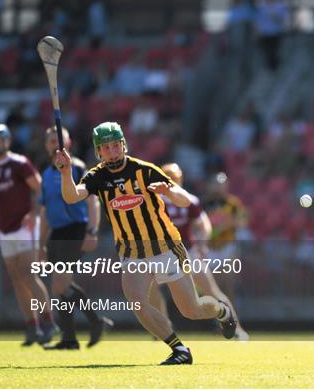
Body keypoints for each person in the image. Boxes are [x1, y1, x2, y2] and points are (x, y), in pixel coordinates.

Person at [54, 122, 237, 365]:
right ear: (99, 151)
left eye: (115, 145)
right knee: (139, 303)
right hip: (132, 253)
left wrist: (169, 192)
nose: (112, 151)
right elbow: (71, 196)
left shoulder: (145, 170)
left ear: (123, 145)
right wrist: (66, 173)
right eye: (106, 148)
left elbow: (185, 201)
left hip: (166, 249)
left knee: (191, 310)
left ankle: (221, 311)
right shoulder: (97, 176)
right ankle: (179, 350)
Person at [148, 163, 249, 340]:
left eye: (175, 177)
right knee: (151, 287)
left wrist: (202, 244)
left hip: (188, 252)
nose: (173, 180)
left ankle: (237, 328)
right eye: (169, 176)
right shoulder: (153, 201)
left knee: (213, 291)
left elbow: (203, 224)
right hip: (163, 254)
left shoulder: (189, 200)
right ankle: (163, 328)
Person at [39, 126, 113, 350]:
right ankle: (76, 333)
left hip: (76, 229)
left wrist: (92, 230)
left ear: (67, 144)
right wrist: (41, 244)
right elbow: (45, 211)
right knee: (60, 286)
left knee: (61, 284)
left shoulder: (77, 167)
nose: (54, 143)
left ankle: (87, 326)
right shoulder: (45, 173)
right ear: (46, 145)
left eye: (58, 140)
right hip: (57, 232)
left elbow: (93, 201)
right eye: (50, 141)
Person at [0, 123, 56, 346]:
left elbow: (40, 188)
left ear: (7, 141)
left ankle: (48, 321)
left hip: (24, 227)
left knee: (29, 275)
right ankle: (32, 326)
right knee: (17, 280)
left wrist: (35, 212)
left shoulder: (19, 163)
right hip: (5, 229)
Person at [203, 172, 247, 314]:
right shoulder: (203, 204)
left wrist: (226, 224)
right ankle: (218, 319)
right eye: (215, 184)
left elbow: (243, 221)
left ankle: (233, 317)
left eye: (221, 185)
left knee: (229, 283)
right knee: (212, 286)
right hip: (210, 248)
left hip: (227, 246)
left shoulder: (233, 203)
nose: (218, 188)